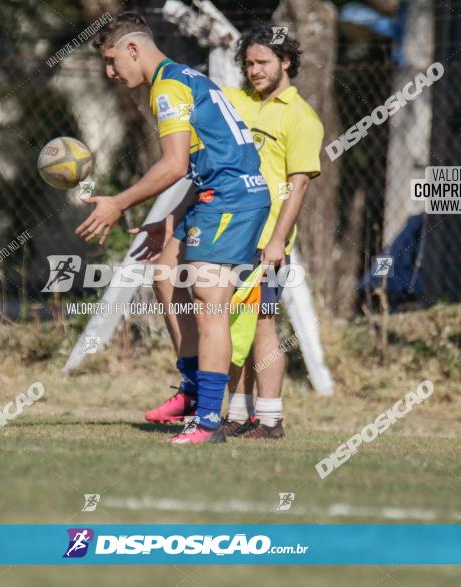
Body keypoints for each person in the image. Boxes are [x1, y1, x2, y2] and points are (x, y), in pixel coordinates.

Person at [78, 12, 270, 444]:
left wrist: (118, 203)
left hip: (232, 200)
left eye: (112, 61)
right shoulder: (182, 77)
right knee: (166, 274)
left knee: (210, 306)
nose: (110, 72)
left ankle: (208, 422)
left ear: (133, 49)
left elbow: (173, 164)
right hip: (214, 194)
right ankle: (191, 389)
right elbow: (204, 162)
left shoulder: (167, 87)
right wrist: (167, 220)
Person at [144, 26, 325, 440]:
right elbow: (210, 166)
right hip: (219, 221)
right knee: (220, 316)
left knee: (260, 324)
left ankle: (270, 417)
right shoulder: (234, 102)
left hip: (266, 237)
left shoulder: (301, 117)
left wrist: (279, 239)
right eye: (248, 63)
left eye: (263, 62)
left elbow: (298, 185)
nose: (254, 70)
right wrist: (175, 217)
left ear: (287, 62)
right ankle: (234, 413)